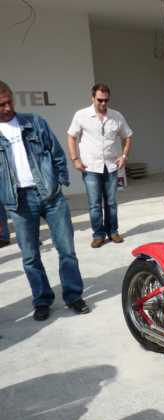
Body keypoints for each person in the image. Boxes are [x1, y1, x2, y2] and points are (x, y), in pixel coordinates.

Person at [0, 80, 89, 321]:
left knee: (67, 250)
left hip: (50, 196)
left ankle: (73, 295)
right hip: (19, 202)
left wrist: (59, 182)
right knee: (30, 256)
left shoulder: (35, 122)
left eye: (9, 102)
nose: (7, 108)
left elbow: (56, 152)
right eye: (1, 105)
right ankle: (42, 300)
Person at [67, 83, 132, 248]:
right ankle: (98, 235)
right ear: (92, 98)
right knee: (94, 204)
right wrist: (75, 159)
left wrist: (124, 156)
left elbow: (127, 136)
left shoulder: (116, 116)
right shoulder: (81, 115)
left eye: (106, 100)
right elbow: (71, 136)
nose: (103, 103)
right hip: (90, 167)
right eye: (100, 100)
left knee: (111, 203)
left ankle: (113, 231)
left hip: (111, 166)